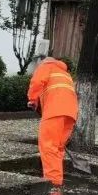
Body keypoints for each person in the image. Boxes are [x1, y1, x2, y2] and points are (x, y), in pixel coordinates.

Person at [27, 56, 78, 187]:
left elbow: (37, 82)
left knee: (48, 147)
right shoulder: (65, 73)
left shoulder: (45, 67)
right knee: (57, 148)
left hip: (54, 112)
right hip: (70, 114)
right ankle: (57, 181)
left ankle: (52, 183)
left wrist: (32, 100)